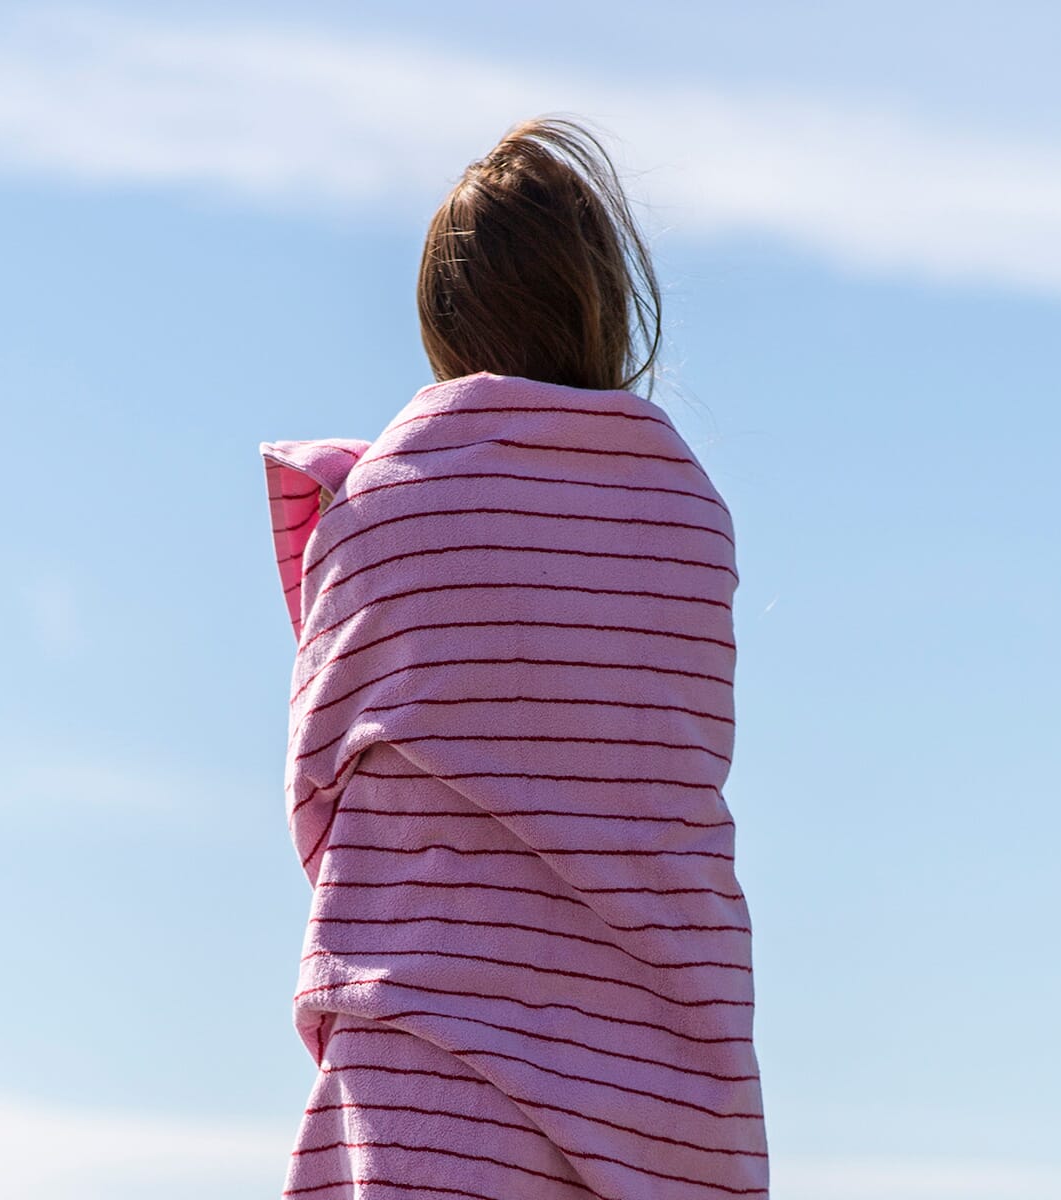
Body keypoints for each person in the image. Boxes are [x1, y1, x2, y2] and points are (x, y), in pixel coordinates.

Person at [260, 113, 769, 1199]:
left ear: (446, 320)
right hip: (661, 1082)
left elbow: (318, 788)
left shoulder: (378, 510)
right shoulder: (689, 515)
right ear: (601, 302)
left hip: (425, 1086)